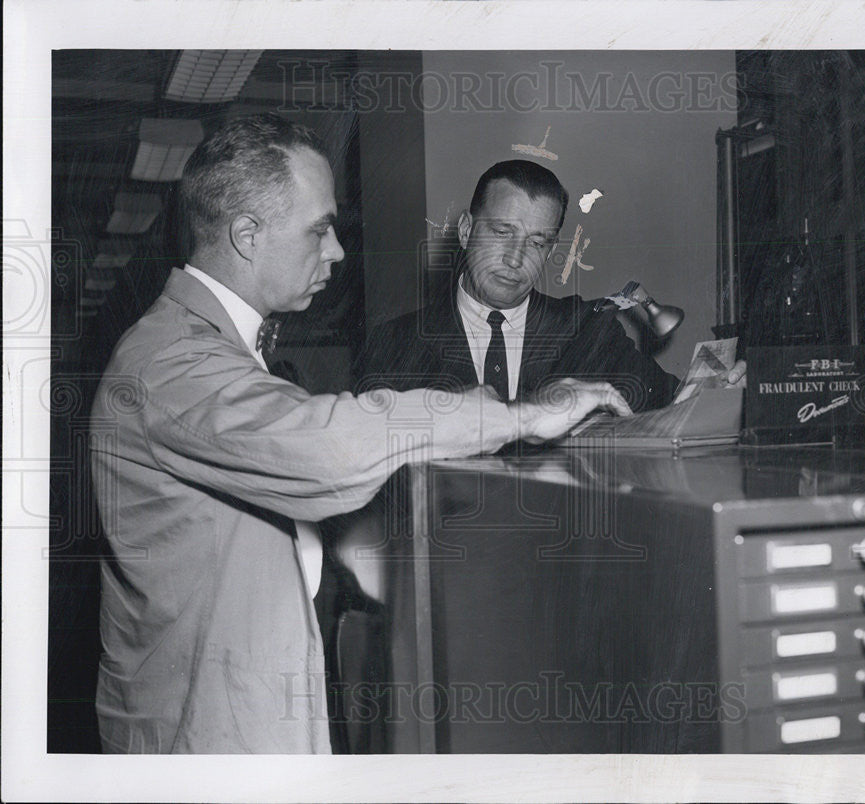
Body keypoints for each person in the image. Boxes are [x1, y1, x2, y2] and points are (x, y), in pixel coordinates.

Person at [89, 115, 629, 754]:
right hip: (210, 737)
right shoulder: (171, 363)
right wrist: (521, 415)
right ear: (246, 236)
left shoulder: (214, 347)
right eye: (319, 230)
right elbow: (326, 447)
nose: (337, 251)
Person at [356, 160, 743, 412]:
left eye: (538, 242)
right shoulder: (394, 345)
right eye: (502, 232)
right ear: (465, 231)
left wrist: (718, 395)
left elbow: (674, 406)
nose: (515, 257)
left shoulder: (586, 332)